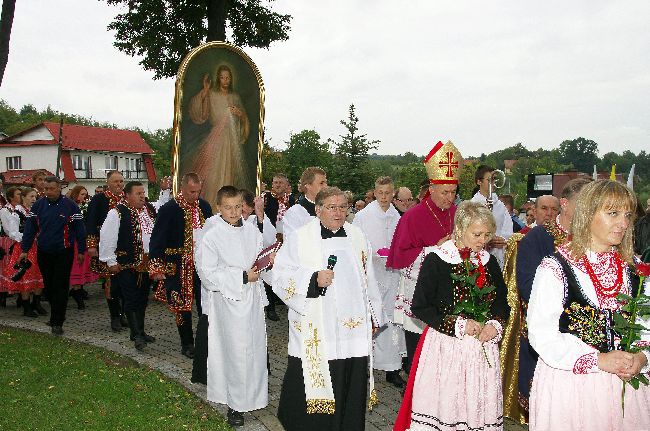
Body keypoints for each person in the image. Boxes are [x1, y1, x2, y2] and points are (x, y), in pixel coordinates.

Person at [527, 180, 650, 429]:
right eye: (613, 213)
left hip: (627, 385)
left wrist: (642, 357)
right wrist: (598, 360)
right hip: (573, 386)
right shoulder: (556, 267)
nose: (624, 223)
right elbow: (541, 334)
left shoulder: (636, 270)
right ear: (588, 213)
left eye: (627, 215)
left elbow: (646, 324)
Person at [272, 186, 386, 431]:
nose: (338, 213)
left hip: (351, 330)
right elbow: (279, 276)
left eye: (343, 207)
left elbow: (370, 280)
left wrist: (374, 316)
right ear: (318, 209)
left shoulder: (357, 236)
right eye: (332, 207)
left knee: (350, 386)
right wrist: (312, 280)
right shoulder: (301, 238)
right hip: (317, 328)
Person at [394, 201, 509, 431]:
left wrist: (495, 324)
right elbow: (420, 306)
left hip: (481, 348)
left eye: (487, 235)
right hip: (446, 347)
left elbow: (501, 302)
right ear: (459, 229)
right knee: (447, 407)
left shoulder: (489, 261)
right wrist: (458, 324)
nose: (482, 241)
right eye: (476, 234)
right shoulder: (438, 259)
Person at [515, 178, 591, 417]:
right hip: (548, 334)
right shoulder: (537, 238)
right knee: (548, 410)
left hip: (588, 339)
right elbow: (527, 286)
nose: (591, 210)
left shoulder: (593, 237)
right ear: (566, 204)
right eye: (586, 203)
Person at [388, 140, 463, 374]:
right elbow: (401, 257)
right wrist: (435, 250)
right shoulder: (412, 217)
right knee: (418, 357)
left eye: (453, 192)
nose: (449, 198)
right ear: (431, 189)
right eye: (444, 192)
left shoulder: (457, 214)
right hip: (419, 294)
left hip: (450, 294)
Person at [195, 186, 267, 427]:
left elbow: (259, 255)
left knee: (254, 350)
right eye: (228, 207)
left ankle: (254, 397)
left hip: (252, 299)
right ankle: (235, 404)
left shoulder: (251, 230)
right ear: (219, 208)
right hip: (229, 301)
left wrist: (267, 261)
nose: (234, 212)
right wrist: (243, 277)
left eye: (238, 206)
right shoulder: (212, 234)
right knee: (235, 352)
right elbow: (207, 273)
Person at [499, 193, 559, 423]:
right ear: (534, 210)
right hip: (525, 307)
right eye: (544, 208)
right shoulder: (523, 238)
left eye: (554, 210)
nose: (549, 214)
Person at [149, 173, 213, 359]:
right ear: (182, 188)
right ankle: (187, 343)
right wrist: (157, 266)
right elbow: (157, 239)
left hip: (202, 264)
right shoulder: (170, 209)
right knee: (181, 305)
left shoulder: (204, 206)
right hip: (177, 265)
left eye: (198, 191)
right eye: (191, 191)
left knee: (205, 303)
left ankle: (205, 341)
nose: (195, 195)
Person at [353, 176, 405, 388]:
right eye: (380, 193)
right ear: (374, 193)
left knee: (392, 321)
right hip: (371, 275)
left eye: (388, 193)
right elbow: (356, 243)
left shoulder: (398, 217)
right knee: (371, 319)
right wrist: (370, 254)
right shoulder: (363, 216)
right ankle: (365, 363)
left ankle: (392, 368)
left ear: (393, 194)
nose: (384, 197)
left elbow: (403, 243)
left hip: (392, 275)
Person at [20, 176, 86, 335]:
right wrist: (25, 249)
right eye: (45, 189)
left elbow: (79, 229)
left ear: (59, 188)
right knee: (48, 287)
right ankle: (55, 313)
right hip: (44, 251)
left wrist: (82, 250)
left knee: (60, 286)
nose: (48, 192)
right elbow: (30, 229)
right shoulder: (38, 206)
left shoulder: (70, 206)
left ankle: (57, 321)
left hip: (64, 251)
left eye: (52, 189)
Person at [99, 181, 156, 351]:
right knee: (131, 298)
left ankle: (139, 331)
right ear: (127, 195)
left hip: (146, 263)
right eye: (138, 193)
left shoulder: (148, 210)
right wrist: (110, 260)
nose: (142, 196)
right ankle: (137, 335)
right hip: (127, 264)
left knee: (142, 298)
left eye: (143, 193)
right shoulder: (117, 213)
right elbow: (107, 236)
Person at [186, 64, 251, 207]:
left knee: (229, 174)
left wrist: (240, 114)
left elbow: (244, 118)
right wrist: (205, 90)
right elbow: (198, 111)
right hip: (216, 138)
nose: (225, 80)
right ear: (218, 79)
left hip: (231, 140)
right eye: (222, 77)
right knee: (213, 172)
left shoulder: (235, 97)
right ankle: (212, 207)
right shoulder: (212, 94)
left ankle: (228, 206)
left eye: (227, 77)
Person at [86, 170, 127, 331]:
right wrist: (91, 245)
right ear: (108, 182)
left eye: (121, 181)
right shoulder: (99, 199)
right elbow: (90, 222)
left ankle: (123, 314)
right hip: (106, 246)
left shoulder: (126, 199)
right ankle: (114, 317)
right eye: (116, 181)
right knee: (110, 282)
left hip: (124, 247)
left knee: (124, 283)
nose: (119, 184)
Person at [0, 187, 45, 316]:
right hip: (24, 247)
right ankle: (26, 306)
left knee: (38, 274)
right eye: (31, 196)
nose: (34, 199)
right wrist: (29, 238)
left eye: (35, 197)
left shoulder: (34, 212)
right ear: (23, 198)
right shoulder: (16, 213)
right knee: (26, 275)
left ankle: (36, 303)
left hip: (37, 247)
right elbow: (13, 233)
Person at [470, 165, 513, 268]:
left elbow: (508, 227)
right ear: (479, 182)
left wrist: (502, 239)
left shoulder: (499, 204)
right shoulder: (472, 205)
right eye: (489, 179)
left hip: (498, 253)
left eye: (494, 179)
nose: (493, 183)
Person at [68, 185, 97, 309]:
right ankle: (76, 292)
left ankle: (78, 290)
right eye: (82, 194)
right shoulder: (70, 207)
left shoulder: (86, 207)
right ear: (75, 194)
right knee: (76, 266)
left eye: (85, 194)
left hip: (84, 240)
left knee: (82, 266)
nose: (84, 197)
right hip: (74, 240)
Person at [277, 167, 327, 240]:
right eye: (321, 183)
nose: (326, 186)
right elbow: (293, 243)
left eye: (326, 183)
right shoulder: (295, 213)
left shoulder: (330, 208)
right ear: (308, 185)